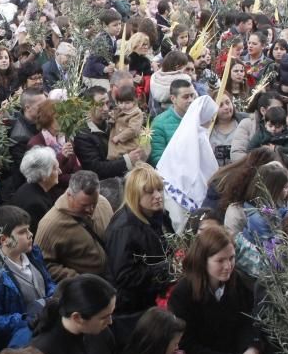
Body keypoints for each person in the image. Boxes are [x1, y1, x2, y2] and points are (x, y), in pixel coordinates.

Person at [168, 226, 260, 354]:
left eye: (231, 258)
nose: (228, 266)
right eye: (220, 260)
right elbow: (187, 348)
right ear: (203, 261)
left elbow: (248, 319)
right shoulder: (182, 294)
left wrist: (251, 348)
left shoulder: (236, 282)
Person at [0, 205, 56, 354]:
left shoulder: (33, 254)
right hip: (17, 351)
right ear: (3, 239)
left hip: (44, 338)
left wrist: (53, 297)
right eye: (22, 232)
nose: (30, 235)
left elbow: (48, 281)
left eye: (29, 229)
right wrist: (29, 318)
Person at [104, 165, 173, 316]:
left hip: (152, 298)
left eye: (159, 189)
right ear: (135, 194)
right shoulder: (124, 228)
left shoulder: (159, 215)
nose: (157, 195)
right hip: (133, 309)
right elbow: (124, 277)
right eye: (149, 191)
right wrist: (166, 268)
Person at [35, 169, 114, 282]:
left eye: (94, 204)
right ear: (69, 195)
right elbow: (42, 264)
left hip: (112, 279)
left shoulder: (103, 203)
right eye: (84, 205)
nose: (90, 210)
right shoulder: (50, 224)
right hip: (87, 289)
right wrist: (77, 279)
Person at [157, 95, 219, 232]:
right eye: (211, 116)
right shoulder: (199, 136)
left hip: (173, 185)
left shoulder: (184, 132)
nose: (212, 120)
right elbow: (208, 167)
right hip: (186, 187)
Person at [9, 146, 60, 235]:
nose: (60, 171)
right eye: (55, 168)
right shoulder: (35, 205)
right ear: (44, 175)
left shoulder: (32, 188)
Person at [149, 79, 197, 165]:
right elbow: (157, 158)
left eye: (192, 96)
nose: (191, 100)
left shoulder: (199, 118)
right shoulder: (159, 123)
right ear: (173, 99)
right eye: (185, 97)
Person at [107, 84, 144, 160]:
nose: (123, 106)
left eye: (127, 103)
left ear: (134, 101)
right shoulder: (120, 109)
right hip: (117, 141)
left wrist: (119, 137)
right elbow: (116, 118)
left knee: (125, 156)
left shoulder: (136, 113)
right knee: (115, 155)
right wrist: (112, 118)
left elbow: (133, 130)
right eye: (120, 103)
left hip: (128, 142)